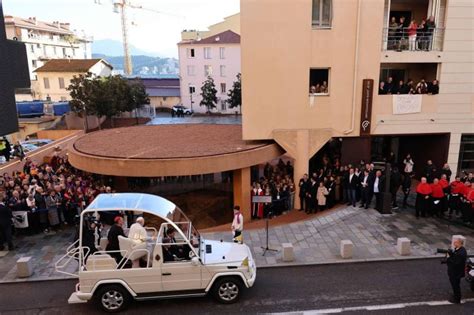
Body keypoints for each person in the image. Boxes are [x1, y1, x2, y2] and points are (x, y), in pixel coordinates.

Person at [446, 237, 467, 304]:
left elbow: (456, 263)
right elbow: (455, 256)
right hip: (454, 272)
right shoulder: (459, 249)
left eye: (455, 242)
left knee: (455, 285)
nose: (454, 243)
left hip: (456, 273)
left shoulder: (461, 253)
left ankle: (457, 299)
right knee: (455, 285)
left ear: (459, 243)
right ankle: (455, 295)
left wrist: (448, 258)